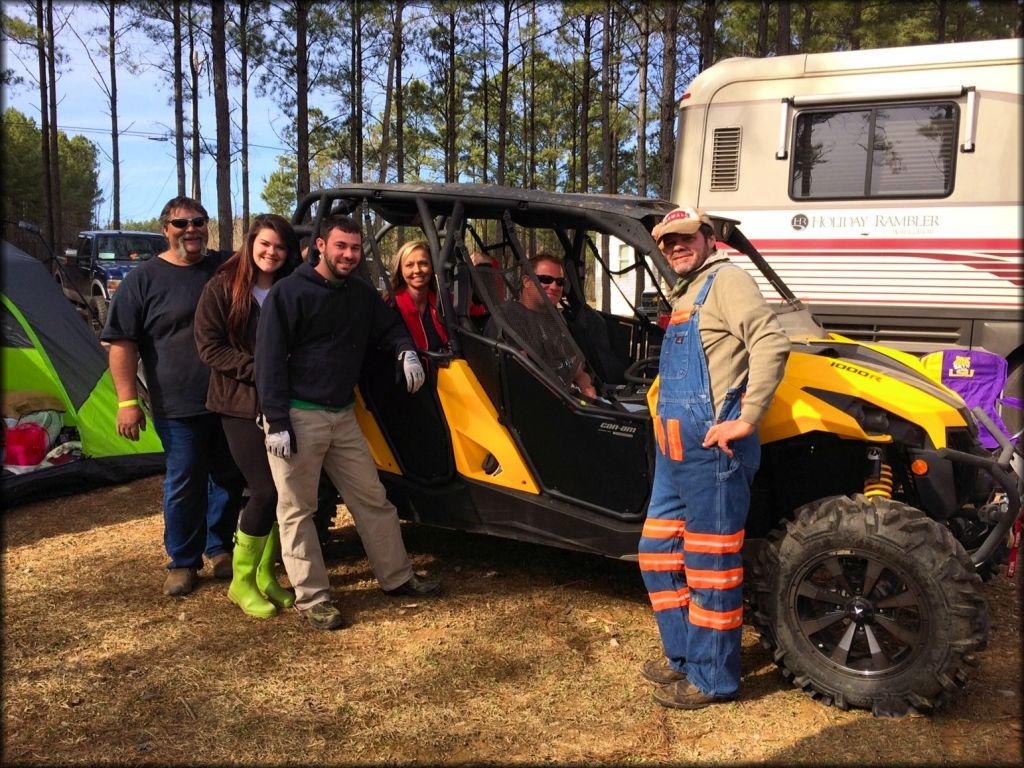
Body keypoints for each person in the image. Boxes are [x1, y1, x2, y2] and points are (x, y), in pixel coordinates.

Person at [254, 213, 441, 631]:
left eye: (355, 248)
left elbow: (389, 327)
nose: (349, 255)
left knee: (372, 499)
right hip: (297, 417)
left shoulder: (359, 293)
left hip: (342, 414)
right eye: (341, 246)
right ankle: (314, 597)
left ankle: (397, 578)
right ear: (320, 245)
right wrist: (277, 420)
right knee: (298, 510)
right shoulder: (289, 294)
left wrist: (404, 351)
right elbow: (267, 360)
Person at [638, 206, 790, 709]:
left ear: (706, 238)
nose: (675, 247)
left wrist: (746, 418)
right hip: (674, 453)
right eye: (667, 242)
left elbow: (770, 341)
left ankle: (712, 678)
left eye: (684, 237)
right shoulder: (688, 291)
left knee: (711, 569)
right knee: (657, 555)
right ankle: (685, 655)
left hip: (713, 452)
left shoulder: (727, 280)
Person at [103, 195, 244, 597]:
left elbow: (275, 261)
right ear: (166, 229)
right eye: (181, 224)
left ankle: (220, 549)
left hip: (228, 398)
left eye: (198, 222)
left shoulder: (226, 267)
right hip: (176, 403)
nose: (191, 230)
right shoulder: (142, 280)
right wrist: (127, 401)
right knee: (185, 480)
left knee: (229, 477)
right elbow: (121, 344)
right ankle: (183, 561)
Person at [194, 214, 301, 618]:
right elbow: (209, 348)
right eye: (265, 244)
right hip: (237, 404)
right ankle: (240, 583)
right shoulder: (222, 287)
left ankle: (264, 574)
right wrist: (264, 370)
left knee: (284, 490)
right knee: (264, 491)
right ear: (250, 243)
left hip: (285, 404)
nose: (271, 252)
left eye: (280, 247)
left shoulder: (290, 290)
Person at [487, 253, 597, 399]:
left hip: (571, 401)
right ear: (526, 281)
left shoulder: (556, 318)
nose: (554, 286)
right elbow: (521, 377)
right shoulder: (508, 317)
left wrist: (586, 387)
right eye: (546, 279)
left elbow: (577, 370)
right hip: (539, 403)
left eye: (560, 282)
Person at [388, 240, 449, 352]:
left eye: (423, 263)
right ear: (401, 270)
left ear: (432, 267)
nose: (417, 270)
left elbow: (478, 310)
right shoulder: (390, 305)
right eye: (409, 265)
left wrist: (490, 262)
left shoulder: (443, 301)